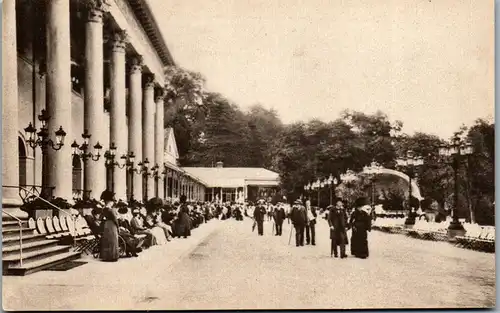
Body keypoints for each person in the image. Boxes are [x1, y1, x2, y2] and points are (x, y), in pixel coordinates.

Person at [99, 190, 120, 262]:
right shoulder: (111, 210)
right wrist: (118, 227)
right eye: (112, 202)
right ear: (109, 202)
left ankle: (106, 256)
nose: (113, 203)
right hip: (112, 225)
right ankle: (112, 256)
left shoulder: (104, 209)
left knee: (107, 240)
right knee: (113, 240)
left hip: (106, 225)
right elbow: (115, 219)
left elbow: (100, 218)